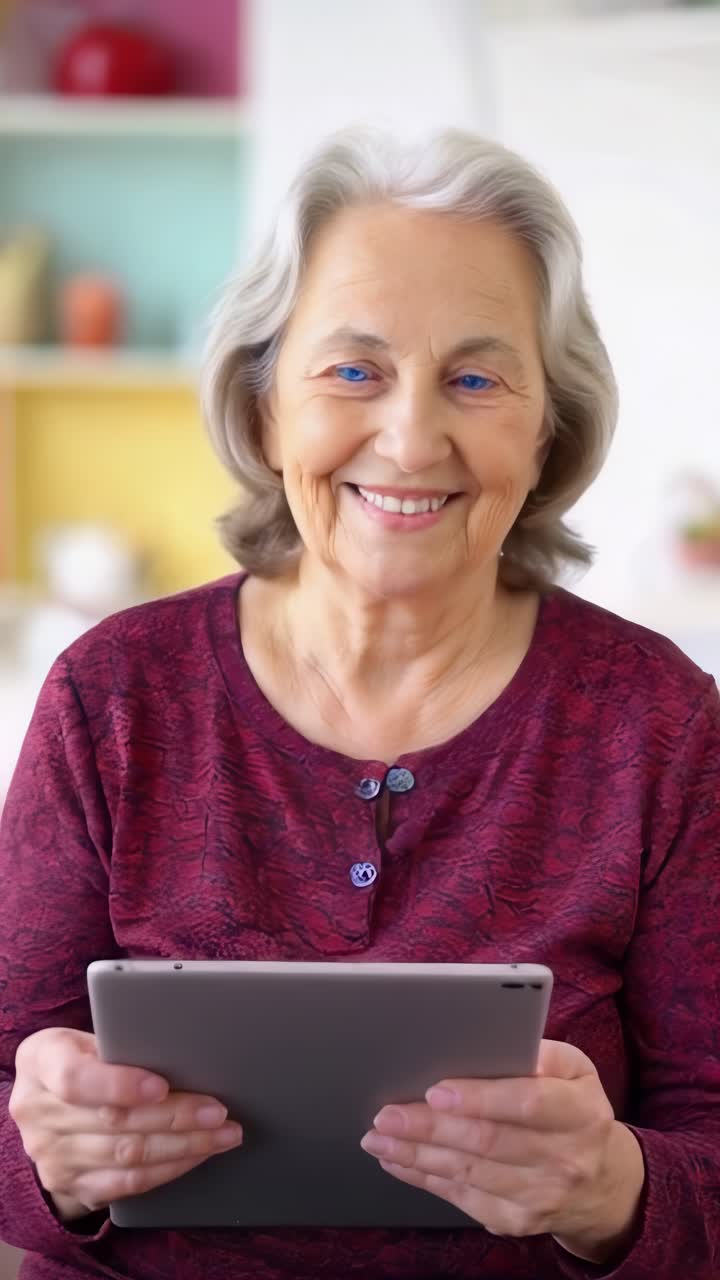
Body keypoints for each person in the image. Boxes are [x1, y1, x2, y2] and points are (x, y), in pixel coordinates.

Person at [0, 126, 718, 1280]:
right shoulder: (114, 695)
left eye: (477, 378)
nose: (409, 435)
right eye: (354, 369)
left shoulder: (662, 725)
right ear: (266, 401)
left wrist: (613, 1188)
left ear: (549, 427)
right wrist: (50, 1160)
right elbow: (6, 1086)